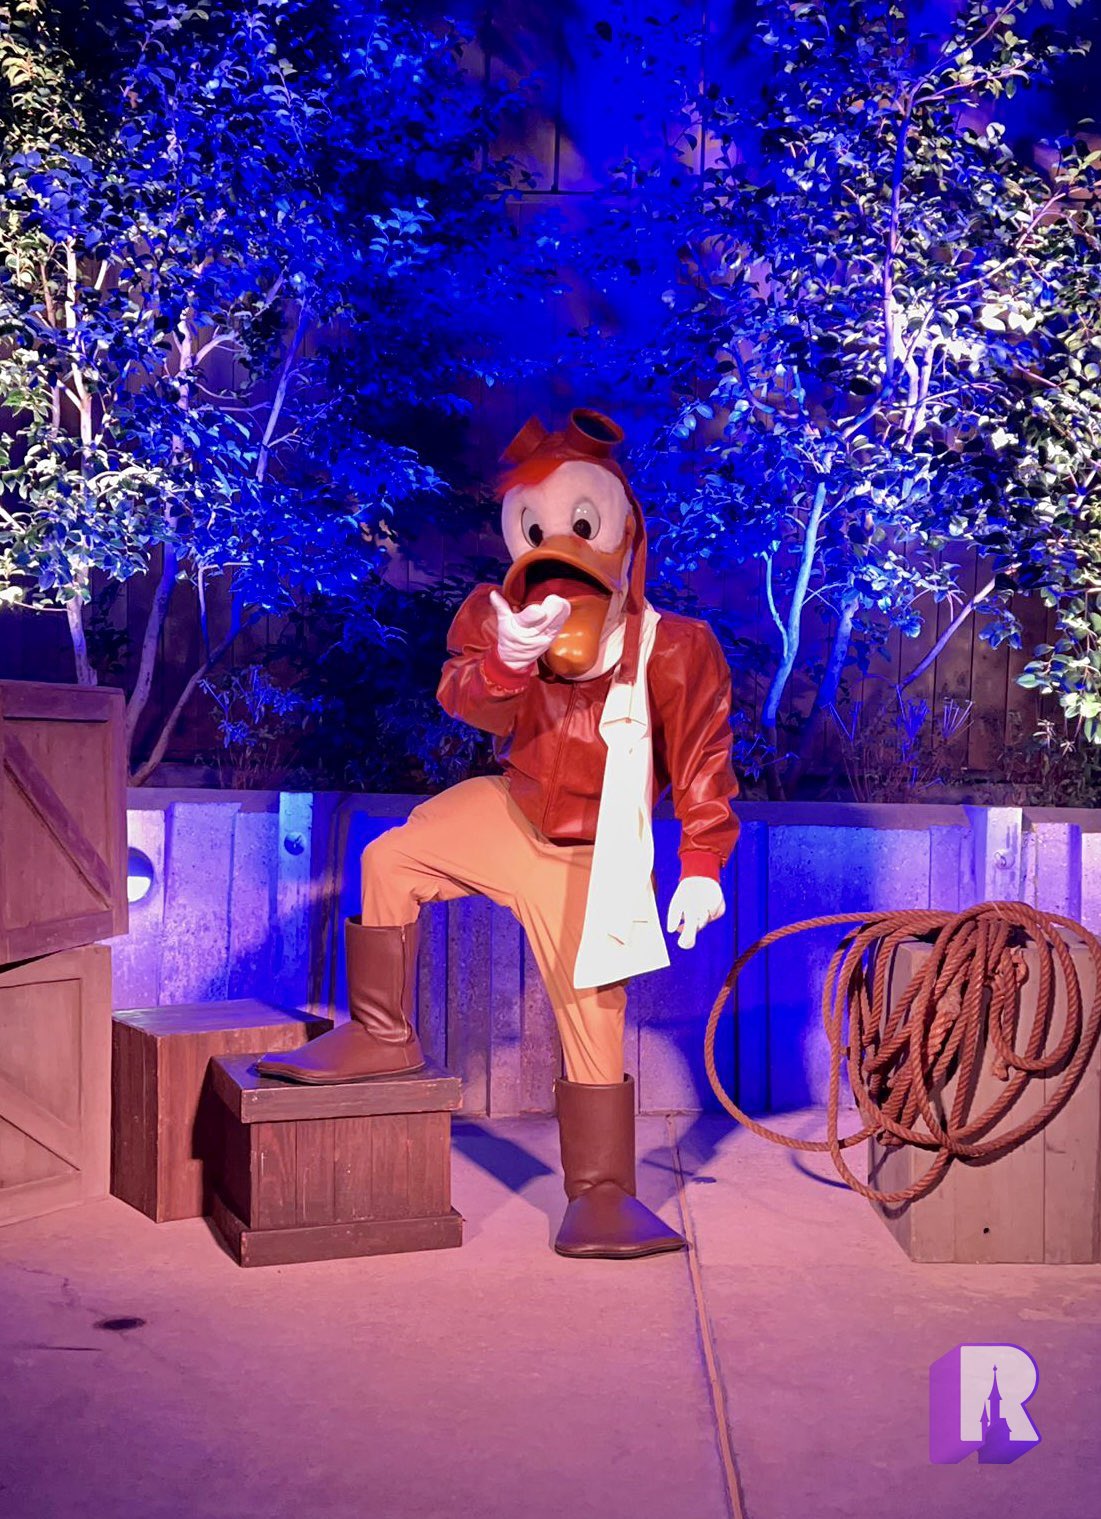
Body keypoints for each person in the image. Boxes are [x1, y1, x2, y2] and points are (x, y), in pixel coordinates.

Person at [260, 408, 739, 1258]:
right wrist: (506, 659)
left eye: (580, 528)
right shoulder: (499, 617)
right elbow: (465, 702)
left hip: (589, 859)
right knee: (390, 858)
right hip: (509, 811)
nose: (560, 554)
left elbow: (703, 756)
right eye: (537, 533)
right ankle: (381, 1031)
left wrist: (701, 862)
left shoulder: (675, 648)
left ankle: (601, 1190)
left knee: (591, 1016)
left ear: (624, 536)